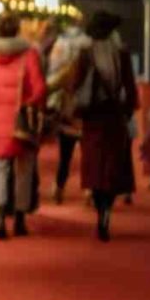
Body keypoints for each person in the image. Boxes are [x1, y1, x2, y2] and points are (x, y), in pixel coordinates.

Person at [0, 13, 46, 240]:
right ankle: (20, 218)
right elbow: (39, 89)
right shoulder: (29, 55)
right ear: (17, 31)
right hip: (22, 121)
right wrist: (29, 106)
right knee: (24, 169)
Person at [70, 11, 138, 242]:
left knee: (95, 168)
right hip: (114, 118)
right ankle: (107, 210)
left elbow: (75, 85)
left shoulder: (86, 54)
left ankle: (99, 209)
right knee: (111, 168)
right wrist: (128, 111)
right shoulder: (122, 54)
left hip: (92, 119)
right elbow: (130, 88)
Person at [47, 22, 89, 204]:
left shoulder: (61, 46)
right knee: (88, 153)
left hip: (67, 110)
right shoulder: (89, 46)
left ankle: (59, 187)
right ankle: (89, 190)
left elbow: (52, 77)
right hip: (86, 111)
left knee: (65, 155)